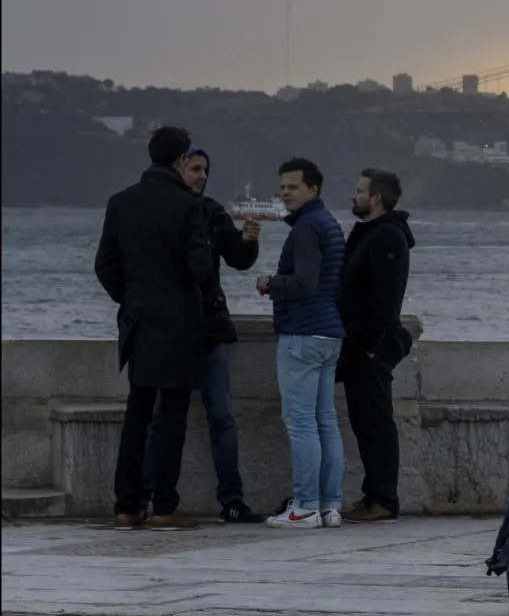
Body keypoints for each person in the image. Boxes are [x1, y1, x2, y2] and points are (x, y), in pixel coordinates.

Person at [94, 126, 215, 531]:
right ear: (182, 160)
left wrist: (131, 301)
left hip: (139, 323)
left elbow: (105, 266)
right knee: (172, 418)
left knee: (137, 415)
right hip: (179, 324)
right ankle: (164, 505)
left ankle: (126, 506)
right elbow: (201, 267)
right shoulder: (187, 206)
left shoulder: (120, 202)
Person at [168, 145, 267, 524]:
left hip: (210, 327)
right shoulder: (166, 211)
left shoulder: (211, 211)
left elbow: (238, 260)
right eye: (195, 169)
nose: (202, 176)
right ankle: (159, 497)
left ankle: (232, 498)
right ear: (177, 168)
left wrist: (249, 239)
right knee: (164, 417)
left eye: (205, 169)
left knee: (222, 415)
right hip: (173, 329)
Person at [256, 157, 348, 529]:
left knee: (301, 423)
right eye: (282, 188)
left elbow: (304, 283)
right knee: (326, 421)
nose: (285, 194)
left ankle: (306, 506)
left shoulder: (307, 228)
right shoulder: (329, 223)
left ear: (313, 189)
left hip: (303, 334)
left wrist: (269, 283)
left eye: (293, 187)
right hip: (329, 332)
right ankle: (330, 505)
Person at [338, 168, 415, 524]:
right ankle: (374, 496)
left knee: (375, 423)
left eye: (359, 190)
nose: (353, 196)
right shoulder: (370, 233)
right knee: (365, 422)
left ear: (377, 198)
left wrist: (369, 346)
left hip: (372, 346)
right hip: (358, 344)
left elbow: (387, 297)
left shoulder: (387, 237)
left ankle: (382, 499)